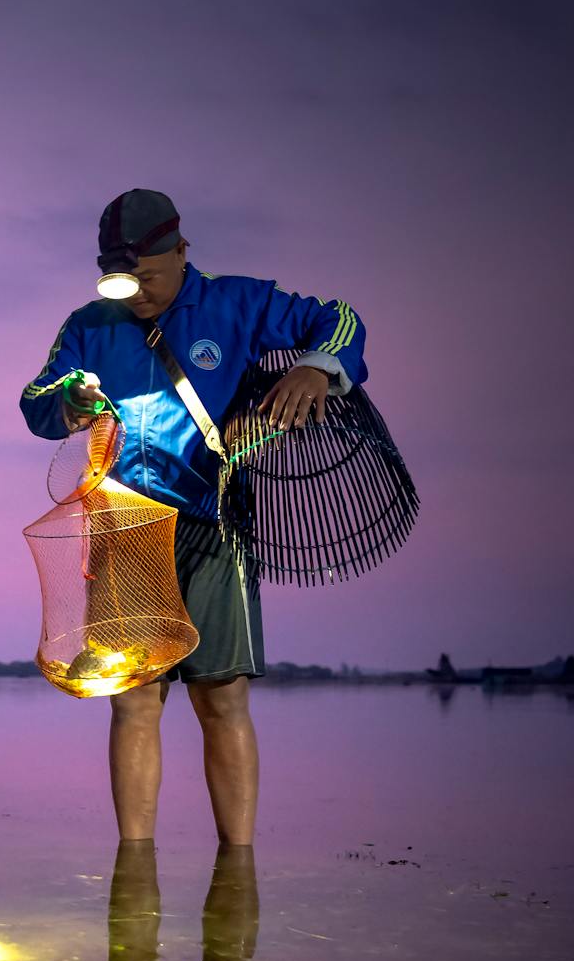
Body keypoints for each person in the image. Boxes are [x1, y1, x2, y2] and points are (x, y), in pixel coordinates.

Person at [19, 189, 367, 844]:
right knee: (133, 701)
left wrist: (319, 370)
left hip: (214, 520)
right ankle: (135, 876)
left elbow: (341, 321)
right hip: (123, 528)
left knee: (223, 696)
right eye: (124, 282)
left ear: (181, 252)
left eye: (149, 279)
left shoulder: (237, 302)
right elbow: (35, 398)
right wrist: (71, 398)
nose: (138, 294)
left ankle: (238, 865)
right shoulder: (88, 325)